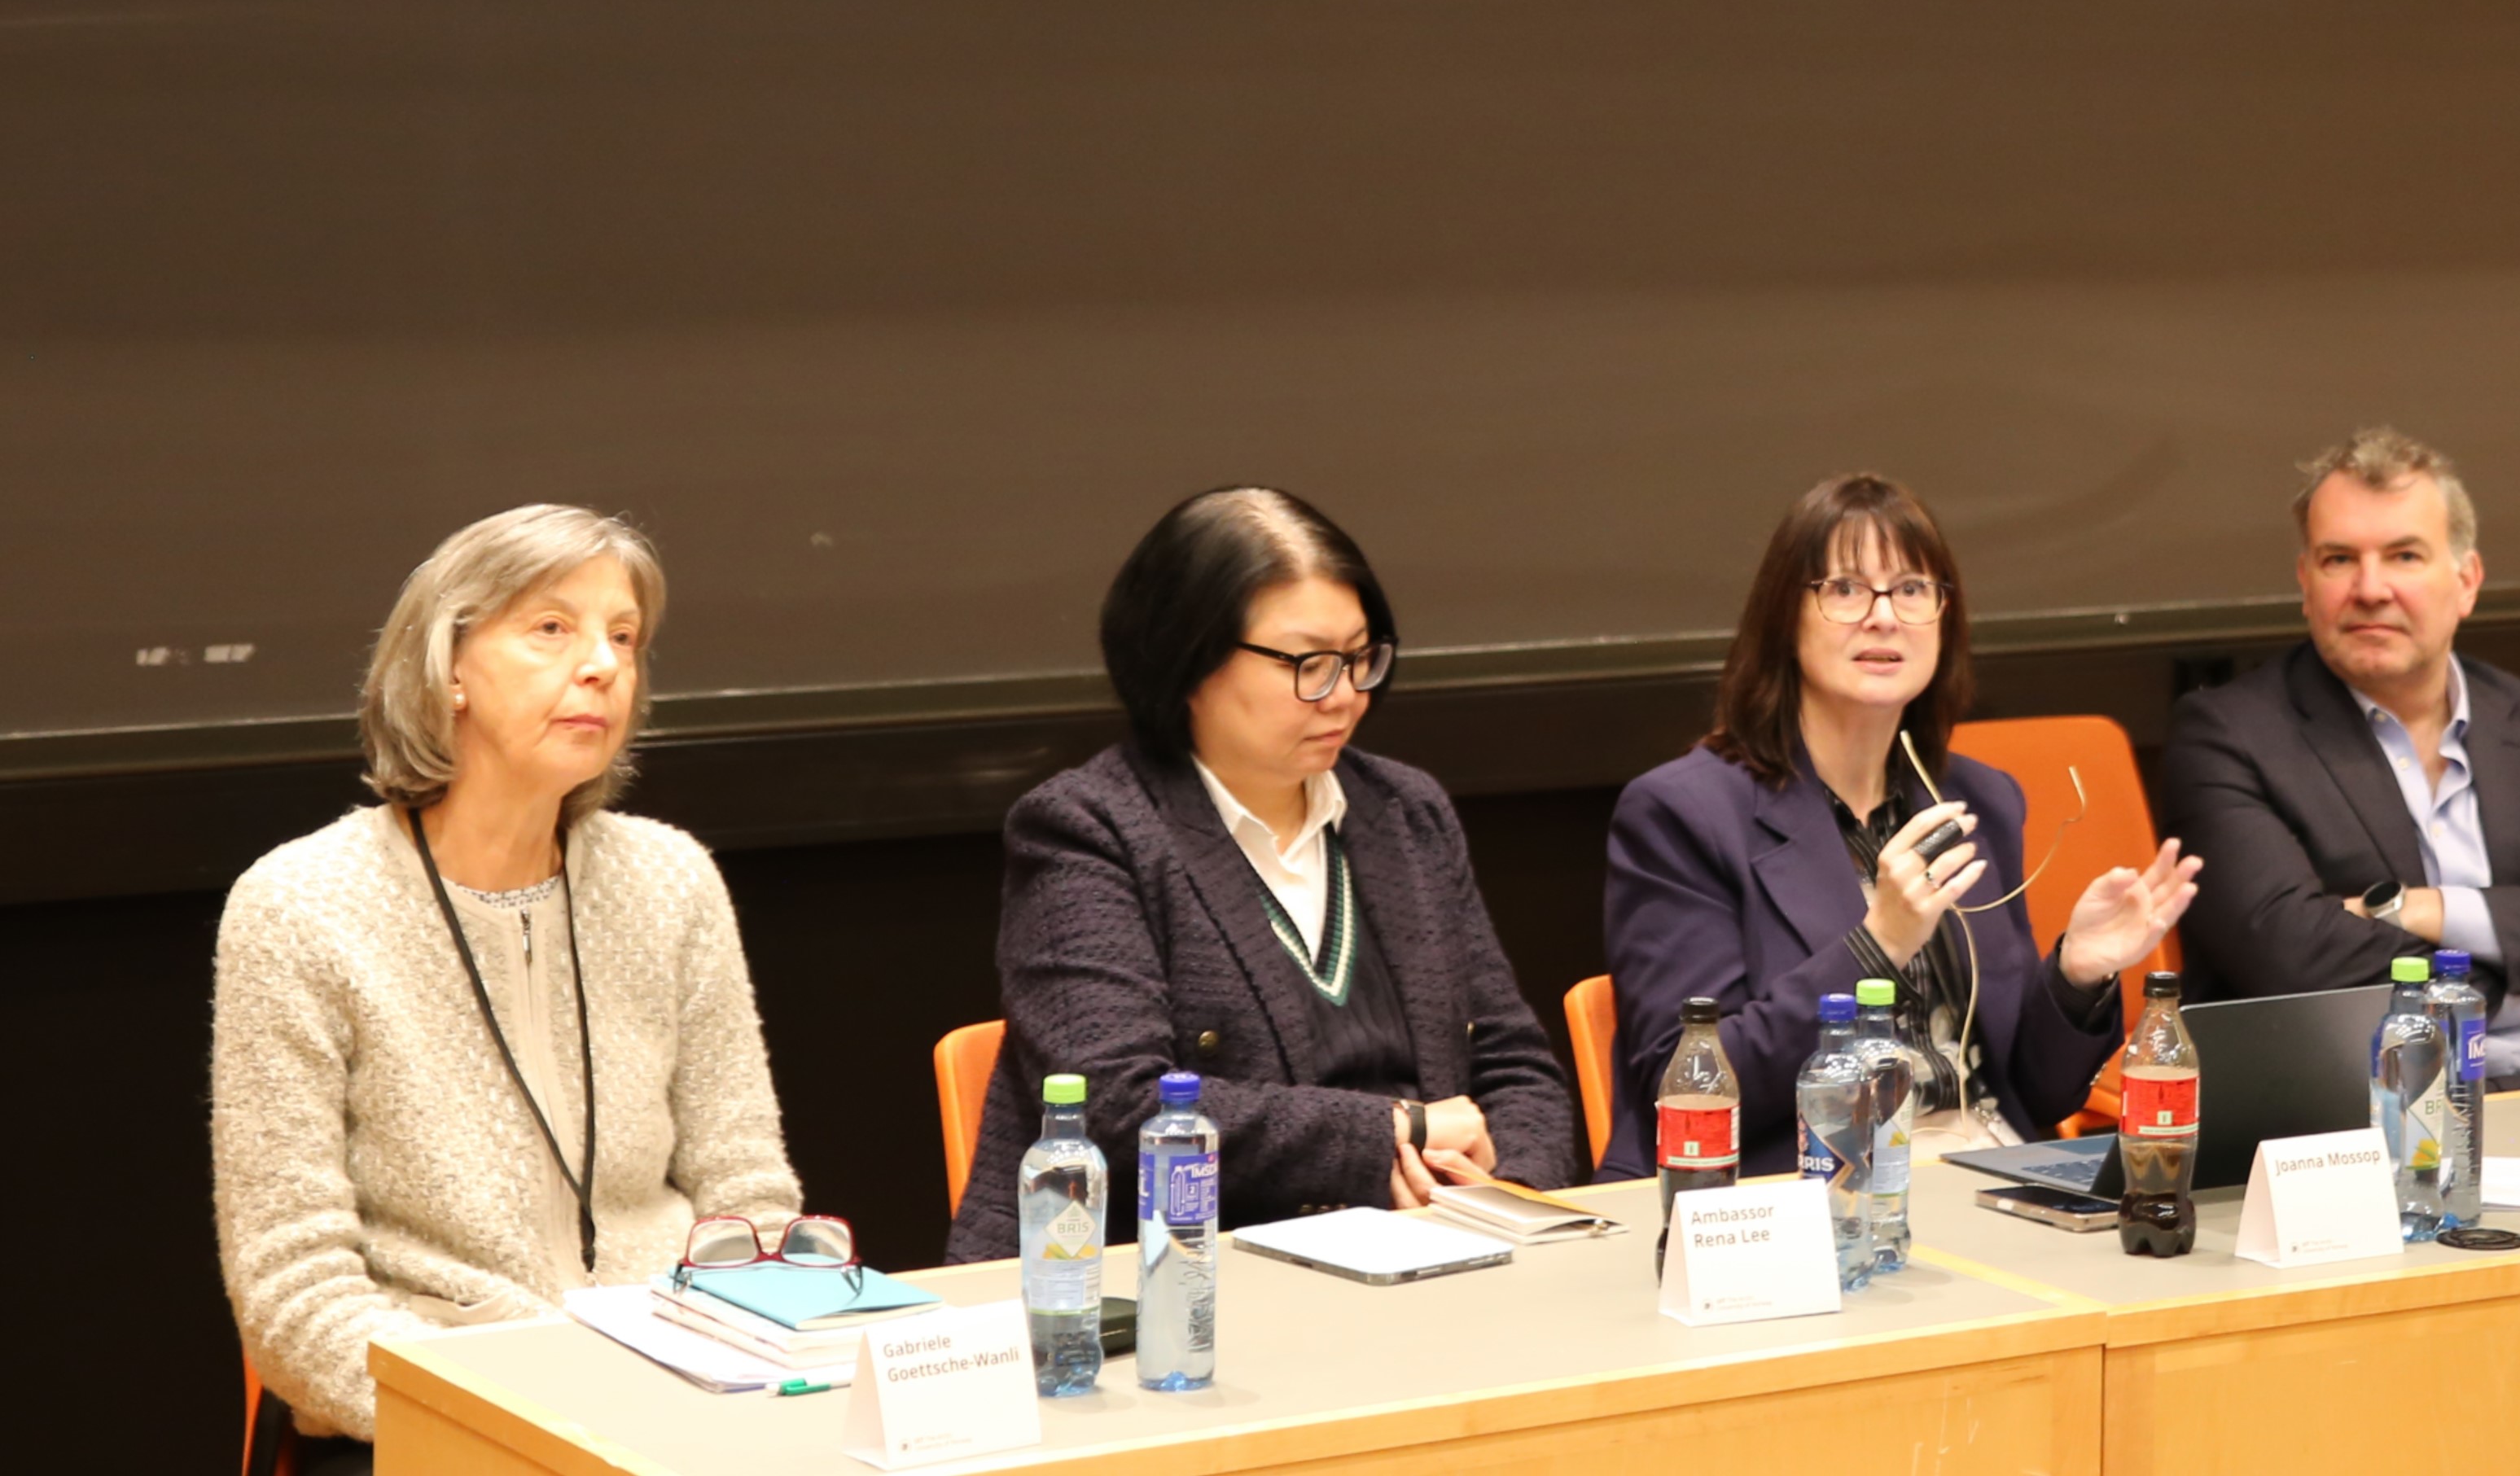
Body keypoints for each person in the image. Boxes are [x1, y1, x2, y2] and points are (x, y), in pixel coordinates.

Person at [213, 507, 800, 1474]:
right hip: (432, 1411)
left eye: (624, 637)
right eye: (552, 628)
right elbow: (293, 1294)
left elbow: (750, 1196)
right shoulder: (300, 905)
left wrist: (742, 1357)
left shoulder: (671, 879)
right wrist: (521, 1409)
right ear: (447, 665)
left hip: (677, 1395)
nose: (604, 665)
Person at [945, 486, 1574, 1260]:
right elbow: (1123, 1107)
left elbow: (1514, 1064)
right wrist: (1393, 1135)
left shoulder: (1405, 811)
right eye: (1308, 663)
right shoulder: (1089, 829)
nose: (1344, 695)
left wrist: (1501, 1195)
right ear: (1188, 658)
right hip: (1177, 1274)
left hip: (1442, 1253)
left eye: (1361, 657)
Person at [1599, 472, 2201, 1177]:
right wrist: (1876, 945)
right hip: (1806, 1191)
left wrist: (2076, 973)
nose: (1884, 616)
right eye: (1846, 589)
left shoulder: (1976, 800)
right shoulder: (1685, 814)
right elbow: (1688, 1086)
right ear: (1782, 618)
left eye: (1913, 589)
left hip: (1988, 1173)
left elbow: (2030, 1092)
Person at [2167, 427, 2520, 1069]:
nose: (2370, 588)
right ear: (2305, 581)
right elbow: (2292, 957)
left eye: (2405, 556)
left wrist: (2416, 910)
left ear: (2466, 581)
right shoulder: (2227, 734)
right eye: (2339, 560)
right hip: (2354, 1107)